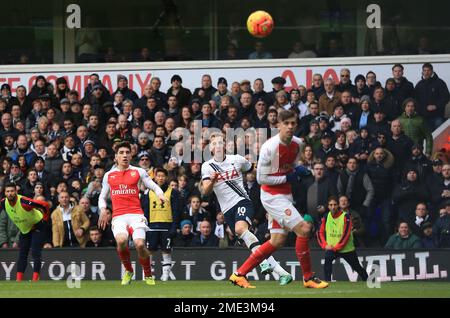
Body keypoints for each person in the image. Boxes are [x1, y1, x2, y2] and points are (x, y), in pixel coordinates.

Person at [229, 110, 328, 289]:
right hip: (271, 196)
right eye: (286, 123)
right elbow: (261, 179)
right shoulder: (270, 148)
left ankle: (239, 274)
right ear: (278, 126)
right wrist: (288, 177)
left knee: (277, 241)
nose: (290, 127)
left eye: (293, 123)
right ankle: (308, 278)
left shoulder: (297, 144)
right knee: (304, 229)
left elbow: (291, 165)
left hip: (285, 195)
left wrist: (300, 168)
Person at [202, 133, 293, 285]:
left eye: (220, 143)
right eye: (214, 144)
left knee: (240, 228)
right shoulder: (207, 167)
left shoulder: (236, 160)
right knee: (247, 238)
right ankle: (282, 273)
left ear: (224, 146)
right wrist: (212, 181)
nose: (217, 146)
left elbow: (253, 169)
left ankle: (263, 264)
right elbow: (205, 191)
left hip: (242, 202)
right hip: (227, 210)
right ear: (210, 149)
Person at [98, 141, 166, 286]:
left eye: (127, 153)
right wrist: (103, 209)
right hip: (119, 216)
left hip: (136, 215)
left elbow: (154, 186)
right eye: (121, 153)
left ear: (131, 155)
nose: (125, 155)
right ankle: (128, 271)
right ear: (116, 157)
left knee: (140, 244)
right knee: (122, 241)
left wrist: (160, 194)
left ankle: (148, 274)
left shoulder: (139, 171)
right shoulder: (109, 175)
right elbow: (102, 196)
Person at [0, 182, 50, 281]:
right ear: (5, 193)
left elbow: (45, 205)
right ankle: (19, 281)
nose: (10, 193)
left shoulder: (23, 201)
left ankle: (35, 279)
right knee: (22, 253)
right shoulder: (3, 203)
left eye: (12, 191)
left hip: (37, 226)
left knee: (35, 252)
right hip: (25, 229)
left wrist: (44, 220)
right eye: (8, 191)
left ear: (16, 191)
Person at [141, 168, 181, 282]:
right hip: (152, 226)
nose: (161, 178)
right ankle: (148, 275)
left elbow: (176, 211)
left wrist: (174, 227)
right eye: (158, 176)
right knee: (149, 251)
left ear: (166, 177)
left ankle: (165, 276)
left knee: (166, 250)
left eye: (163, 176)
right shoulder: (148, 192)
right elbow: (144, 210)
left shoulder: (172, 192)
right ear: (155, 177)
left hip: (166, 225)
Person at [317, 197, 368, 282]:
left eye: (335, 205)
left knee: (357, 267)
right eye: (331, 205)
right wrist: (325, 245)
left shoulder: (346, 217)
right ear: (328, 206)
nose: (333, 207)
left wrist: (336, 247)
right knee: (327, 262)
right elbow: (319, 232)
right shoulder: (326, 217)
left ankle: (367, 280)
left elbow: (346, 234)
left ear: (338, 206)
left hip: (346, 249)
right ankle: (327, 283)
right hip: (331, 248)